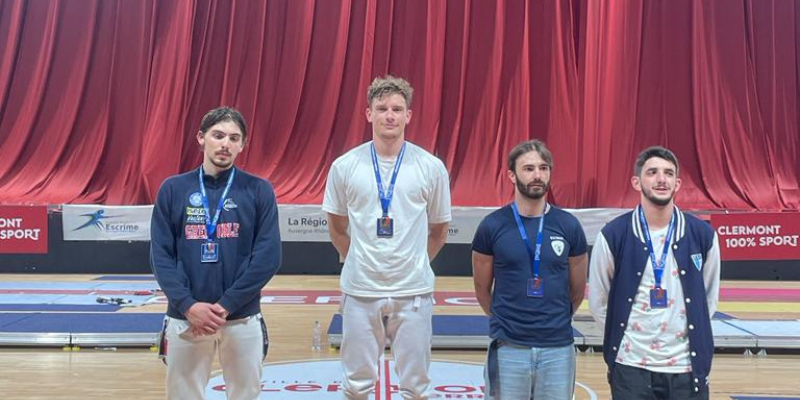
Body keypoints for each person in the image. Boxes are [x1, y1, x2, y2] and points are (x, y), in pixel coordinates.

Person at [323, 75, 452, 400]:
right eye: (382, 108)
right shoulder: (345, 166)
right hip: (360, 290)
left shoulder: (431, 167)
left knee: (416, 388)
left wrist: (414, 262)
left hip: (414, 292)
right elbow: (336, 227)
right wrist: (361, 259)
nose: (389, 115)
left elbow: (439, 230)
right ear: (369, 114)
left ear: (409, 115)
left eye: (397, 108)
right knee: (356, 386)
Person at [150, 106, 281, 400]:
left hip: (242, 318)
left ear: (242, 145)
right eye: (218, 135)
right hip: (186, 318)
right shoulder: (173, 189)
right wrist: (188, 305)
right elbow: (161, 255)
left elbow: (268, 257)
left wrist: (224, 306)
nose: (226, 144)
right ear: (201, 138)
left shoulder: (259, 190)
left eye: (234, 138)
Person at [588, 146, 720, 400]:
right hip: (631, 366)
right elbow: (599, 302)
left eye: (668, 173)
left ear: (678, 183)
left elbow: (708, 300)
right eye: (652, 172)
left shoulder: (703, 236)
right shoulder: (614, 235)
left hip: (686, 367)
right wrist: (628, 340)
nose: (661, 179)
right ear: (636, 182)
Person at [471, 139, 588, 400]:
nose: (537, 175)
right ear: (512, 175)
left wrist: (553, 321)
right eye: (529, 168)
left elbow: (577, 289)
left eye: (543, 168)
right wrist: (507, 321)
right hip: (509, 347)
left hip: (558, 348)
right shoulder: (492, 226)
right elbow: (481, 289)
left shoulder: (569, 226)